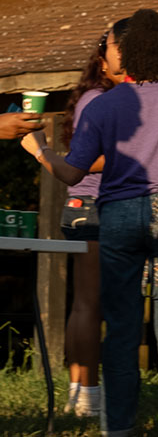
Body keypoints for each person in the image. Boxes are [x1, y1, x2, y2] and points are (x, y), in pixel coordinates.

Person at [26, 9, 158, 437]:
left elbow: (73, 174)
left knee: (121, 328)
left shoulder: (102, 105)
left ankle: (117, 430)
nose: (104, 50)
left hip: (119, 213)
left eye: (108, 44)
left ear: (124, 52)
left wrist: (40, 151)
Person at [21, 30, 123, 417]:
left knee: (86, 303)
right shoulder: (102, 100)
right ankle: (89, 395)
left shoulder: (89, 98)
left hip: (82, 204)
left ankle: (81, 392)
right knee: (91, 304)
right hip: (97, 203)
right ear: (102, 60)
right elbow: (93, 160)